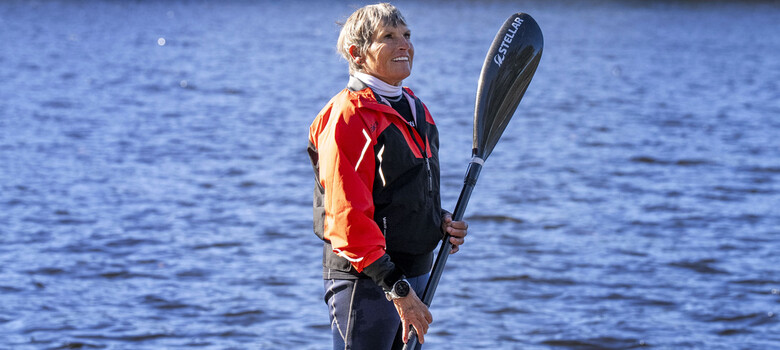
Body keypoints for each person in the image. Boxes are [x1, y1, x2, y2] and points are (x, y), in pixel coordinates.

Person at [307, 3, 468, 349]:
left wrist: (438, 221)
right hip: (367, 281)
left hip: (416, 272)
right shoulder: (347, 116)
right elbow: (347, 219)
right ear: (357, 53)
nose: (404, 45)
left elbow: (404, 190)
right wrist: (397, 288)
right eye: (389, 37)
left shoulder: (416, 108)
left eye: (407, 35)